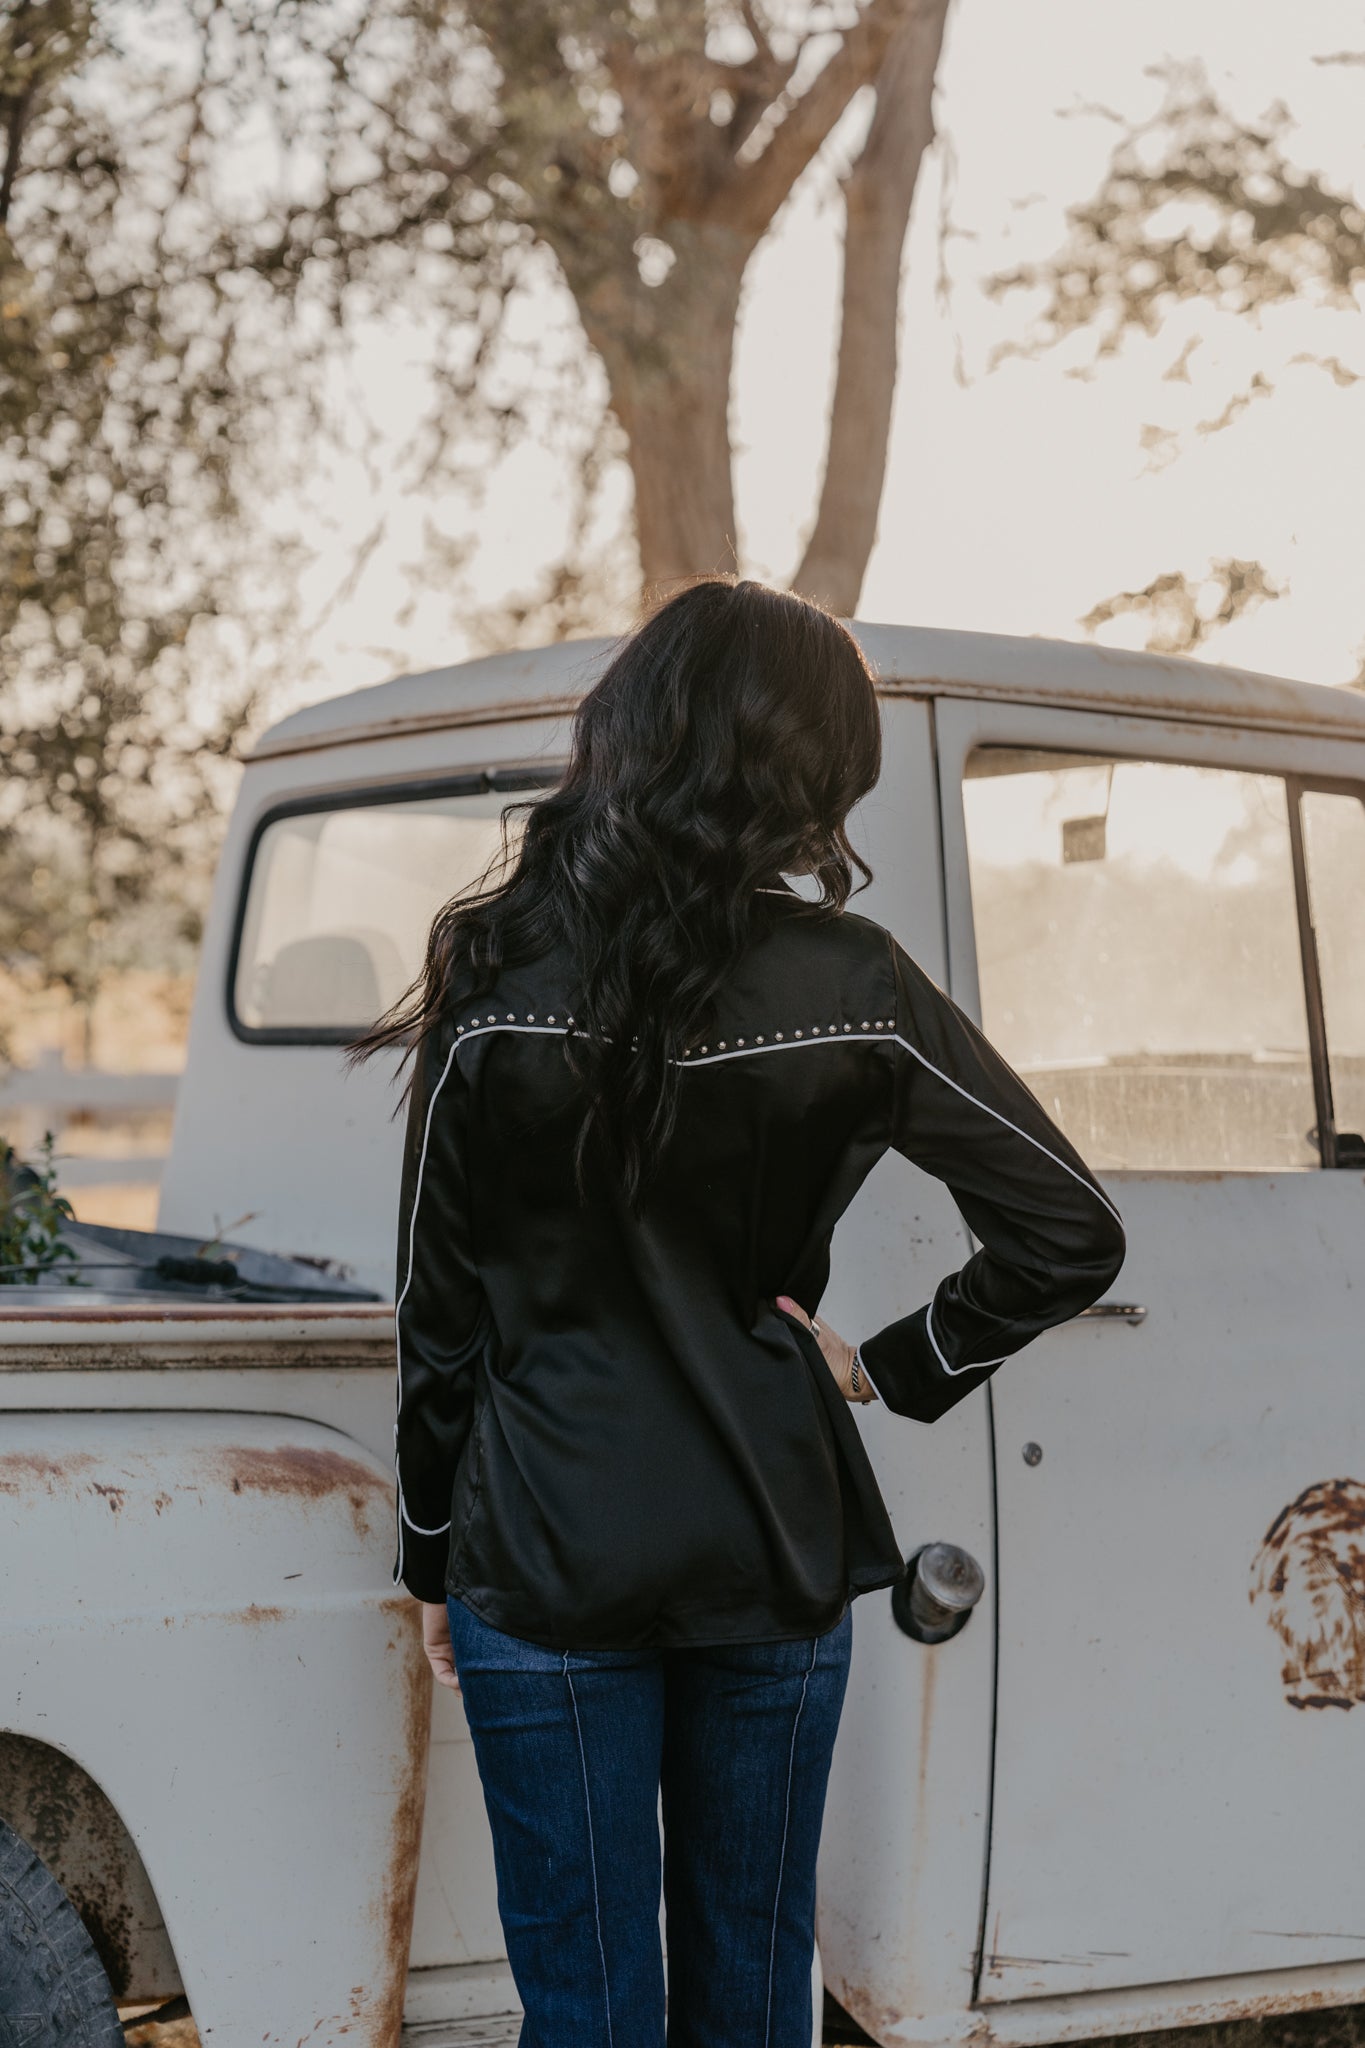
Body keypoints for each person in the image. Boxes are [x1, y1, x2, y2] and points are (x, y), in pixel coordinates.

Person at [349, 574, 1126, 2048]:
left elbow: (436, 1311)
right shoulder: (853, 983)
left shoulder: (496, 967)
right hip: (769, 1535)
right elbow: (1067, 1233)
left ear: (632, 730)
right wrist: (890, 1367)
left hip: (544, 1545)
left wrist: (435, 1556)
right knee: (755, 1986)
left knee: (586, 2008)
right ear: (812, 769)